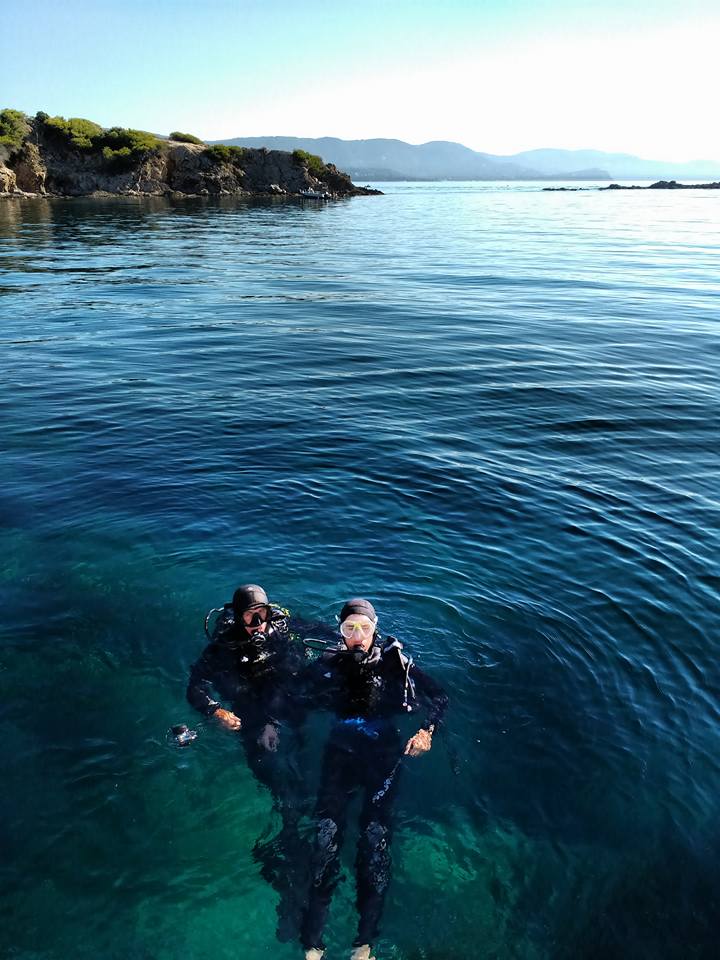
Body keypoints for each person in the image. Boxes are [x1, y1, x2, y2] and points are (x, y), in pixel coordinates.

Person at [299, 598, 448, 960]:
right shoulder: (328, 664)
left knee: (374, 841)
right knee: (325, 839)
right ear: (340, 633)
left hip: (383, 754)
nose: (358, 636)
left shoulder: (395, 664)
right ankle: (313, 942)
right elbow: (293, 694)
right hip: (340, 752)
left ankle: (364, 943)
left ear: (375, 629)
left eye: (364, 628)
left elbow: (439, 697)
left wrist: (427, 731)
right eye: (349, 628)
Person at [187, 583, 328, 936]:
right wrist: (215, 711)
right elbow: (195, 686)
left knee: (299, 781)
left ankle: (294, 845)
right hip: (252, 715)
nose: (258, 624)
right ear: (237, 618)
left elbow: (323, 632)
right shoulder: (224, 647)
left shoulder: (280, 626)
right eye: (250, 618)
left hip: (286, 710)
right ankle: (289, 855)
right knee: (281, 785)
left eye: (262, 615)